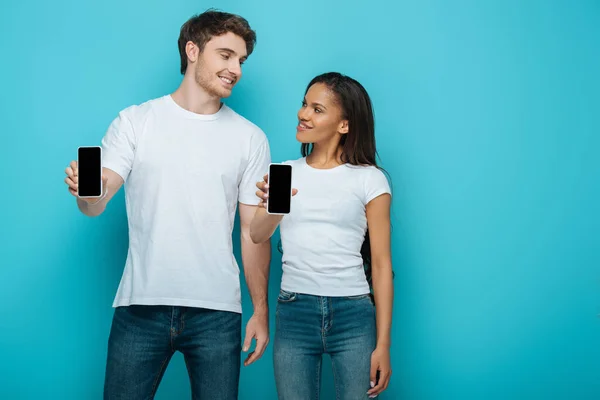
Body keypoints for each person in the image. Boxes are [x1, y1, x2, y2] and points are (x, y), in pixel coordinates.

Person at [63, 10, 271, 400]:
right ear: (193, 50)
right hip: (141, 307)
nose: (235, 69)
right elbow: (96, 202)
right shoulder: (135, 121)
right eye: (225, 55)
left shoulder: (250, 138)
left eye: (241, 60)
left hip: (217, 313)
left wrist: (260, 310)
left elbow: (252, 232)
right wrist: (87, 193)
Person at [250, 72, 394, 399]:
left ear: (344, 125)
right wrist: (273, 208)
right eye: (304, 105)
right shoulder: (284, 173)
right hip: (294, 311)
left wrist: (383, 344)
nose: (303, 114)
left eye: (317, 109)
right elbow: (257, 235)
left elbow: (383, 266)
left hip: (354, 315)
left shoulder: (370, 180)